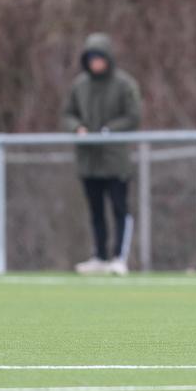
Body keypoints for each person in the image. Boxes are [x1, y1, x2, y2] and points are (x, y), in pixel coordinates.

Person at [62, 33, 141, 276]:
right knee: (95, 211)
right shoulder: (79, 86)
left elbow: (133, 116)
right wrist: (78, 128)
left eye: (100, 57)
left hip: (115, 161)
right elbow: (68, 114)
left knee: (119, 209)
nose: (96, 62)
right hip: (89, 161)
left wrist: (109, 131)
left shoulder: (124, 84)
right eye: (91, 58)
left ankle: (119, 257)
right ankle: (100, 256)